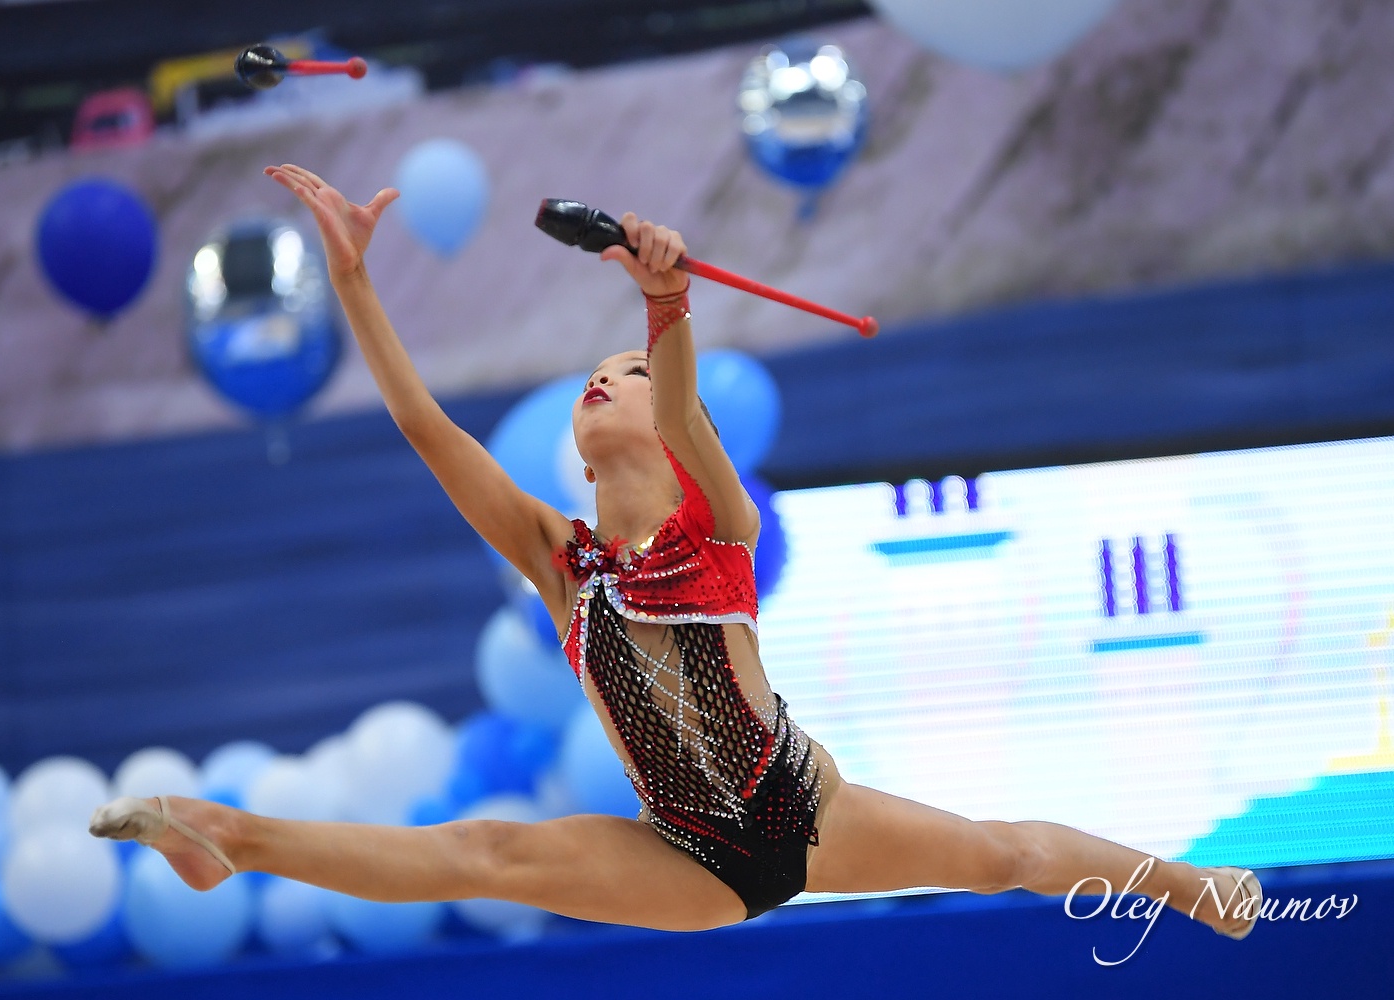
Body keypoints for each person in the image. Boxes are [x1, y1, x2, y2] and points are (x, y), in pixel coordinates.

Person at [91, 163, 1263, 941]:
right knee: (488, 852)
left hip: (801, 810)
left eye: (628, 373)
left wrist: (668, 310)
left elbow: (695, 420)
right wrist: (351, 277)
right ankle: (231, 839)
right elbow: (424, 426)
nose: (606, 376)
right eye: (594, 377)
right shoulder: (563, 562)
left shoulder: (719, 523)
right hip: (687, 856)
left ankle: (1186, 884)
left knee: (1003, 855)